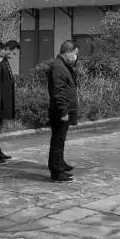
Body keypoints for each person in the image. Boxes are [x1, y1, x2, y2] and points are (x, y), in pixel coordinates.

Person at [47, 40, 79, 182]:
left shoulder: (64, 65)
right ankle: (56, 171)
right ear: (68, 52)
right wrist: (64, 111)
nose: (76, 57)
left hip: (64, 108)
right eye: (75, 54)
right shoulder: (58, 67)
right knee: (57, 141)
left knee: (60, 140)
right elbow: (58, 92)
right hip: (60, 110)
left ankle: (60, 163)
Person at [0, 41, 18, 162]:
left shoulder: (5, 62)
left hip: (4, 102)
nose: (14, 56)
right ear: (7, 50)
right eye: (13, 53)